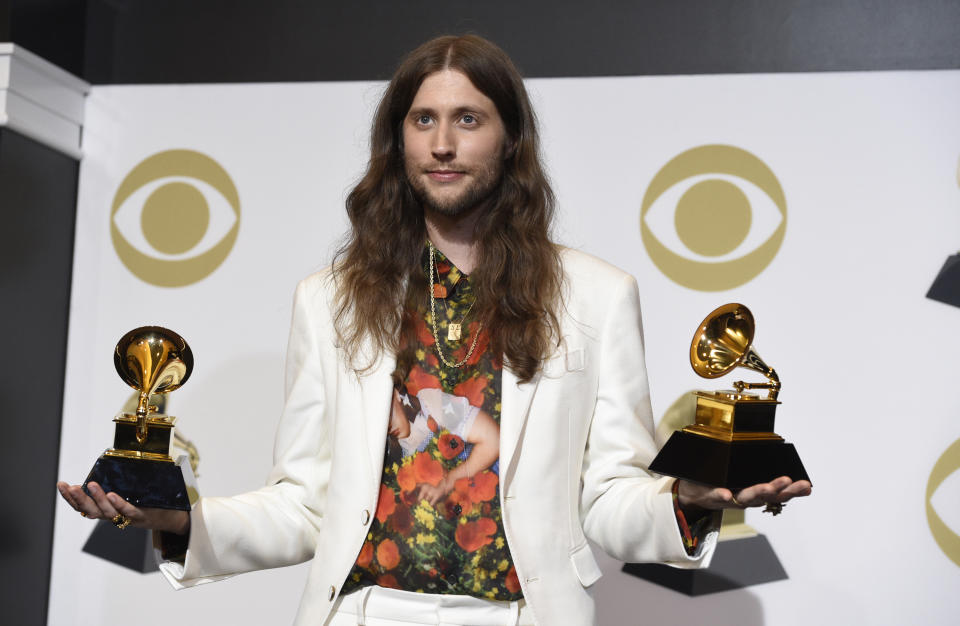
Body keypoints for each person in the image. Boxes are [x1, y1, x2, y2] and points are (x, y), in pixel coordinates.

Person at [58, 34, 811, 625]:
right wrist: (176, 517)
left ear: (510, 139)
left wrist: (690, 496)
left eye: (468, 119)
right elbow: (305, 503)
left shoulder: (597, 296)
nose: (442, 144)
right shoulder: (330, 300)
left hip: (522, 615)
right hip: (363, 612)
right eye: (424, 120)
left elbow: (609, 499)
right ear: (400, 140)